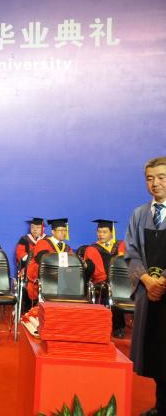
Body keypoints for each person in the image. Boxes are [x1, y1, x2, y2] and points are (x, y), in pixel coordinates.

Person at [125, 156, 166, 416]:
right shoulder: (140, 214)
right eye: (150, 178)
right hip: (149, 294)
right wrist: (148, 281)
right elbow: (131, 252)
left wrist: (163, 281)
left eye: (161, 177)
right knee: (156, 352)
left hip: (162, 290)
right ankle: (160, 406)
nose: (155, 183)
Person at [83, 219, 127, 338]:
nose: (101, 234)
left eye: (104, 232)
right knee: (112, 290)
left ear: (111, 233)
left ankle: (120, 325)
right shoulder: (92, 248)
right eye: (99, 231)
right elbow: (91, 268)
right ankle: (116, 327)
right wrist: (86, 265)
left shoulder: (120, 245)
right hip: (103, 282)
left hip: (121, 280)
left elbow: (124, 262)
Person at [26, 218, 73, 301]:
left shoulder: (67, 248)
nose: (63, 233)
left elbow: (71, 264)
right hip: (43, 279)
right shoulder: (43, 243)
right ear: (53, 232)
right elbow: (42, 260)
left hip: (61, 281)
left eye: (65, 230)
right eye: (60, 230)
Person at [15, 217, 46, 312]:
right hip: (27, 269)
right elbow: (20, 252)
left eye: (38, 227)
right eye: (32, 227)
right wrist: (30, 258)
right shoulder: (25, 239)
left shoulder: (47, 240)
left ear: (43, 229)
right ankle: (26, 308)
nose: (34, 229)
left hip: (43, 270)